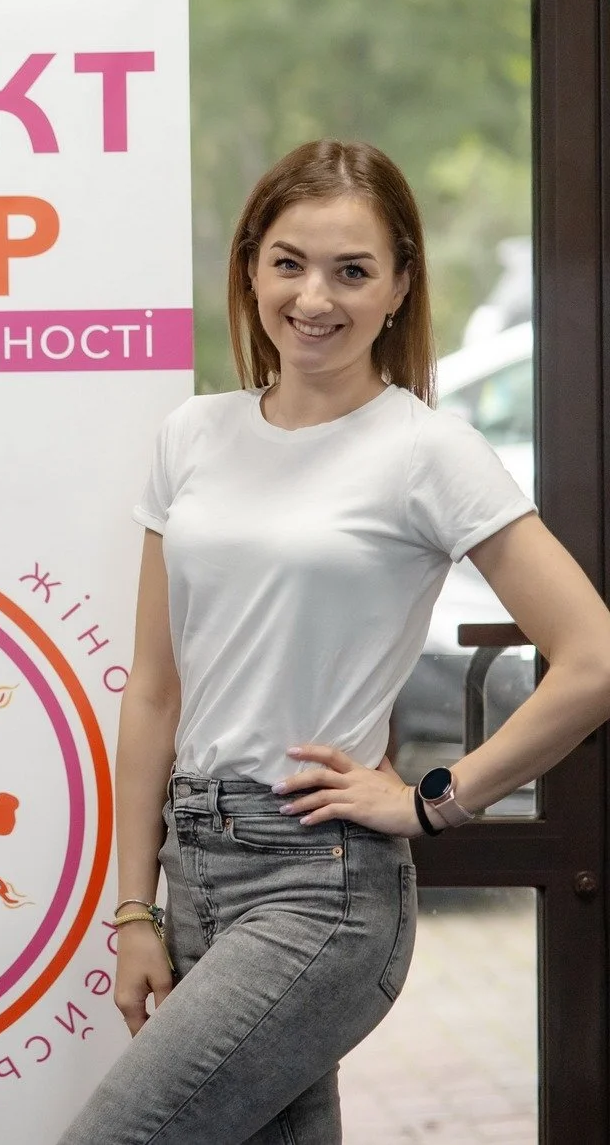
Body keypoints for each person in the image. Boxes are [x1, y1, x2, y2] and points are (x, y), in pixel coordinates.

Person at [59, 140, 610, 1143]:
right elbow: (153, 690)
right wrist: (133, 909)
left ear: (398, 288)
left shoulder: (426, 450)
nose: (313, 297)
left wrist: (434, 800)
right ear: (249, 269)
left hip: (320, 884)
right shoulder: (192, 435)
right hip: (194, 864)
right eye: (288, 263)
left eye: (351, 271)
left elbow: (593, 660)